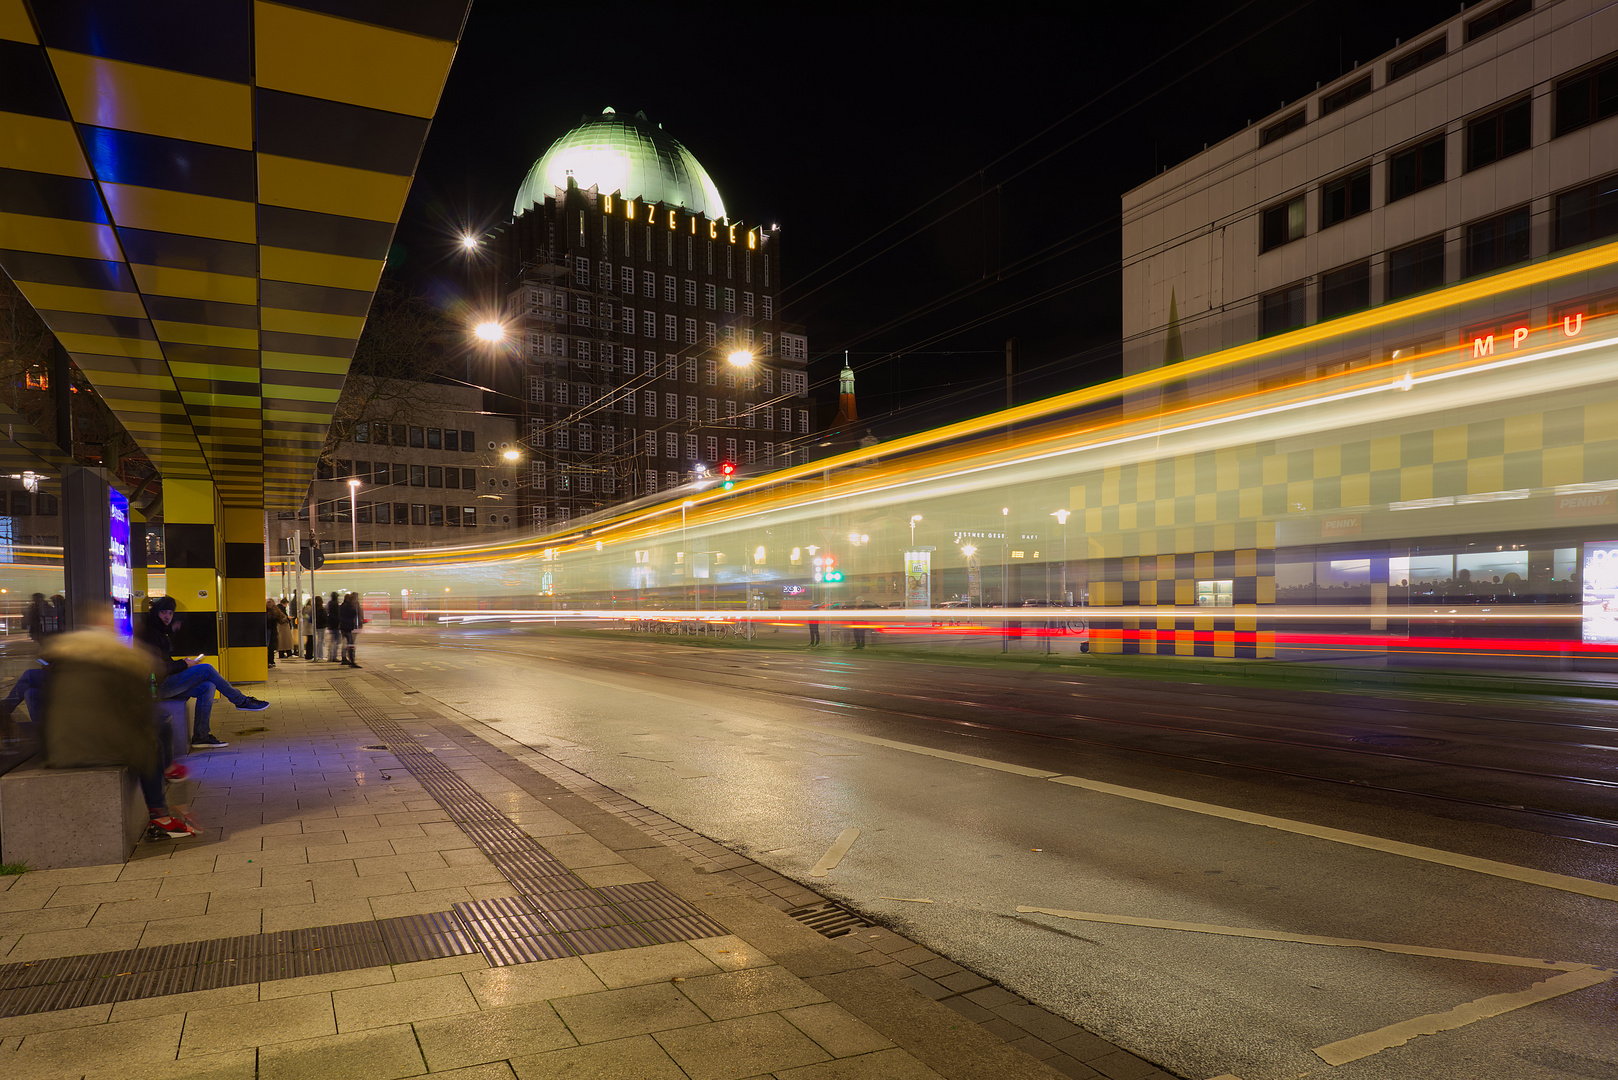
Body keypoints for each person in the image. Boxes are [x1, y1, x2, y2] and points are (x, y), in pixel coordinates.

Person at [40, 602, 195, 839]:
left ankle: (169, 773)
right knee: (150, 742)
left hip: (61, 746)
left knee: (157, 728)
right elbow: (138, 708)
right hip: (90, 747)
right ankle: (160, 816)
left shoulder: (65, 656)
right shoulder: (115, 658)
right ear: (107, 626)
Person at [137, 596, 268, 748]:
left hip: (163, 683)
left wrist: (184, 663)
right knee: (206, 669)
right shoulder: (150, 634)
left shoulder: (160, 632)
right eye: (164, 612)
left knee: (208, 687)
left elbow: (164, 662)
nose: (167, 617)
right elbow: (155, 669)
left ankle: (201, 735)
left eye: (171, 613)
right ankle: (241, 701)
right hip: (156, 687)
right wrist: (183, 664)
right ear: (156, 613)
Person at [338, 592, 362, 667]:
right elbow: (353, 613)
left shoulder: (343, 606)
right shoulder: (347, 606)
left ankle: (347, 659)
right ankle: (351, 661)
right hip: (347, 627)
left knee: (347, 643)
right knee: (350, 644)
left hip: (344, 627)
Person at [327, 591, 342, 661]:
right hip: (335, 625)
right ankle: (333, 656)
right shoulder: (335, 604)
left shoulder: (329, 604)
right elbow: (337, 614)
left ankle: (330, 656)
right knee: (336, 641)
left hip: (331, 624)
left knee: (333, 641)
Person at [311, 594, 326, 661]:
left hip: (316, 626)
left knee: (318, 641)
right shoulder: (321, 609)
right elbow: (324, 617)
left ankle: (317, 655)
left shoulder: (314, 609)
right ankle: (320, 655)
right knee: (321, 641)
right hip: (322, 626)